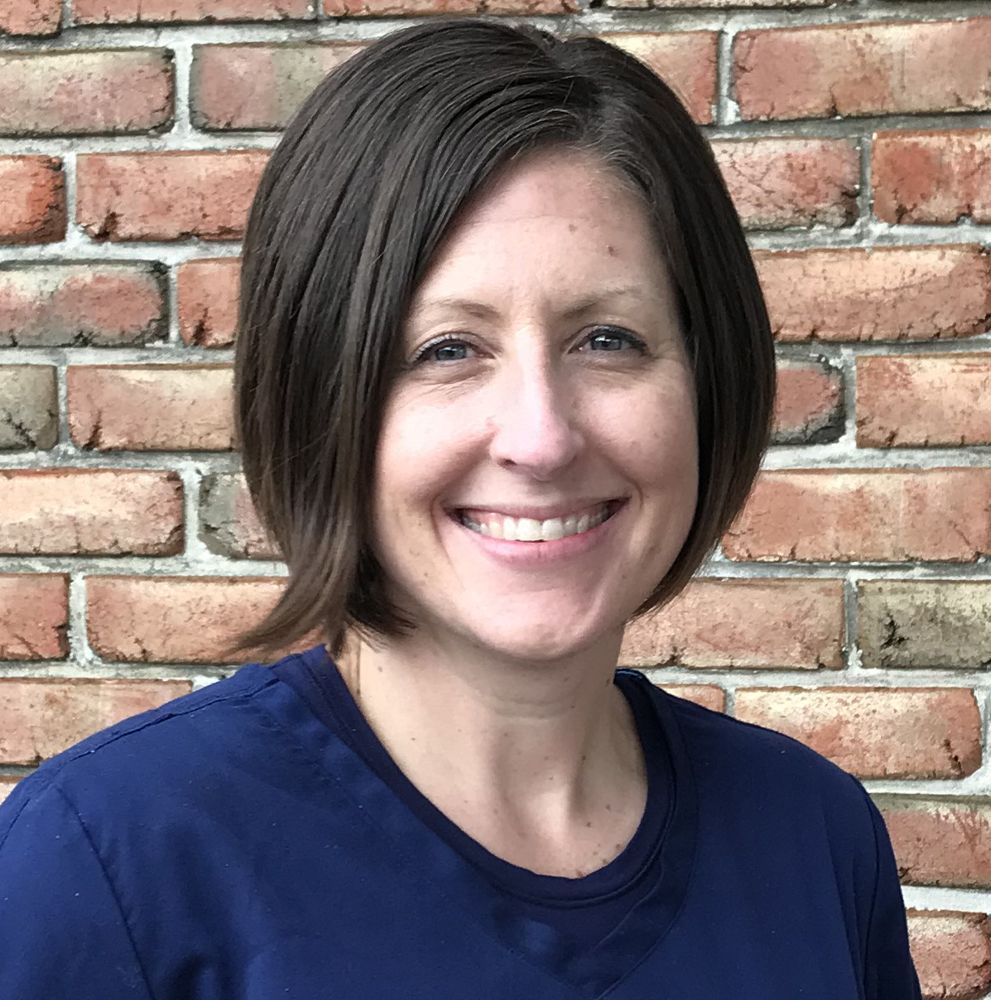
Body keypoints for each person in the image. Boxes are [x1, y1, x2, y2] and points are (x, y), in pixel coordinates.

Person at [0, 18, 920, 999]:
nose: (541, 436)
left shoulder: (813, 837)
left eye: (607, 339)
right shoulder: (107, 870)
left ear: (709, 380)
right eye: (446, 349)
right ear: (320, 396)